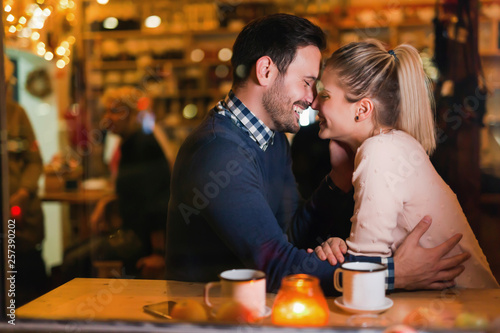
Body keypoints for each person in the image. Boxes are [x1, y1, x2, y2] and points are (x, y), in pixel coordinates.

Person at [165, 14, 470, 295]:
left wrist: (336, 182)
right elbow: (273, 266)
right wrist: (393, 274)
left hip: (252, 311)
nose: (312, 101)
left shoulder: (273, 140)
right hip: (208, 315)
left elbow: (291, 238)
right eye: (308, 83)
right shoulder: (217, 153)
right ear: (266, 71)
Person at [311, 40, 498, 288]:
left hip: (468, 318)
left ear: (363, 109)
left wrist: (351, 259)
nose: (314, 103)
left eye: (324, 94)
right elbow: (371, 260)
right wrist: (342, 248)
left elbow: (363, 278)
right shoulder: (390, 146)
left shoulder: (380, 151)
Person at [63, 86, 171, 279]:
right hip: (130, 233)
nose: (107, 117)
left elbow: (159, 202)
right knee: (70, 256)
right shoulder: (130, 143)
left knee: (74, 261)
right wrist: (107, 201)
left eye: (114, 111)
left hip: (140, 240)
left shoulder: (143, 145)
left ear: (131, 115)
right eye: (106, 111)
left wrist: (158, 254)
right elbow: (136, 190)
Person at [5, 54, 48, 305]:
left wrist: (23, 192)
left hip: (20, 220)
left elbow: (34, 160)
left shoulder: (16, 114)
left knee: (27, 285)